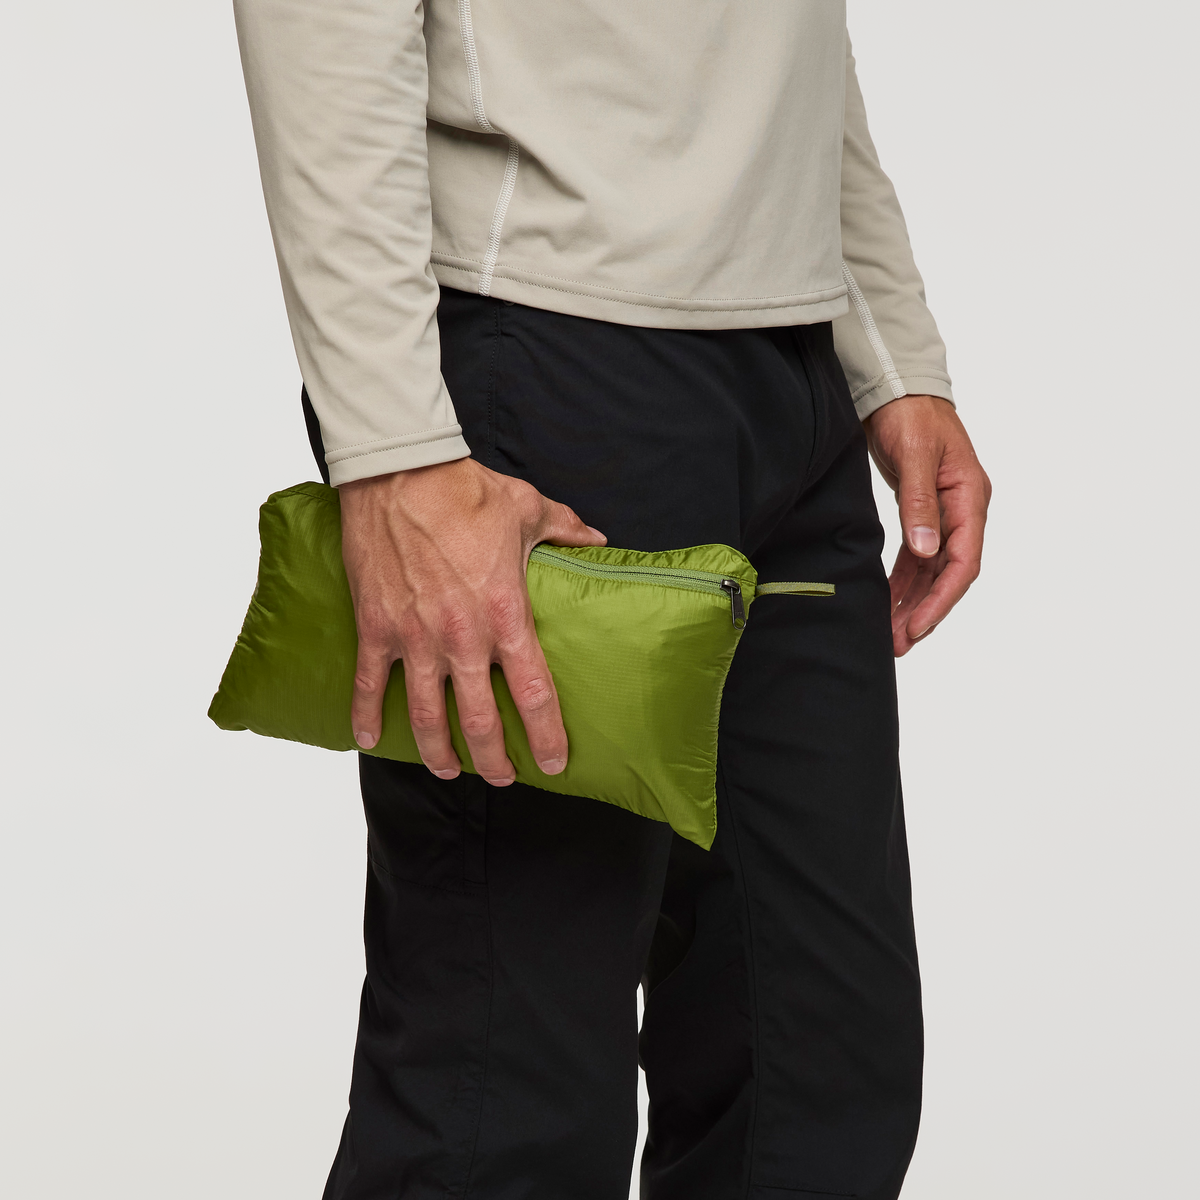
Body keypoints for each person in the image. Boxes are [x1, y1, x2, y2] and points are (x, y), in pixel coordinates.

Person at [232, 2, 991, 1197]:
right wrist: (393, 448)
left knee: (814, 1079)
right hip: (546, 365)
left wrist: (891, 355)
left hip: (794, 366)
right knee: (507, 1100)